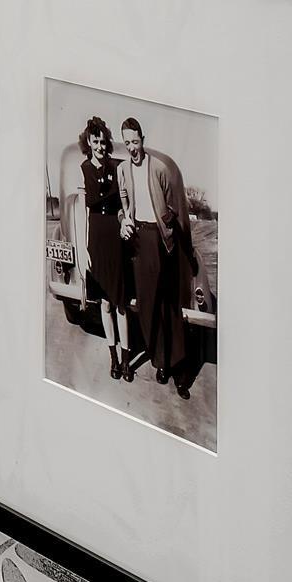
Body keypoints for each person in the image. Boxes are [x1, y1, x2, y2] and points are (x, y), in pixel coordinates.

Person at [115, 115, 192, 389]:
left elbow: (173, 206)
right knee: (147, 307)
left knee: (167, 304)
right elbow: (123, 201)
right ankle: (161, 361)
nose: (132, 147)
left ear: (142, 140)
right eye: (127, 143)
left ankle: (180, 368)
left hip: (160, 239)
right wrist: (124, 218)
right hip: (138, 239)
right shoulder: (123, 169)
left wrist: (167, 224)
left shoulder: (157, 167)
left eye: (135, 141)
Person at [75, 116, 128, 365]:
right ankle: (113, 357)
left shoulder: (117, 167)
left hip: (114, 237)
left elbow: (125, 205)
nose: (100, 146)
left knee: (120, 303)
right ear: (89, 143)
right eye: (95, 142)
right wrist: (84, 249)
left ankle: (126, 358)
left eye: (103, 142)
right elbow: (83, 214)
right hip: (96, 237)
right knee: (105, 304)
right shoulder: (84, 169)